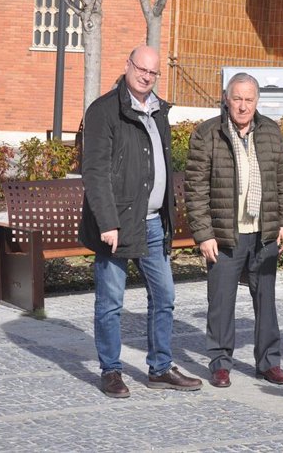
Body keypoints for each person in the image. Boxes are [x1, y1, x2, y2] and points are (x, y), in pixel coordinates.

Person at [79, 45, 202, 398]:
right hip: (117, 223)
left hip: (152, 223)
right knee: (110, 302)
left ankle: (160, 368)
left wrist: (168, 212)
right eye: (141, 69)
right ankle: (111, 370)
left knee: (164, 296)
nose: (146, 76)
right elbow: (95, 171)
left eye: (153, 72)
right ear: (127, 65)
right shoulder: (104, 111)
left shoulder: (158, 110)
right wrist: (107, 221)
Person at [184, 72, 283, 388]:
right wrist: (204, 234)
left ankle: (268, 363)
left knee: (266, 302)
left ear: (256, 101)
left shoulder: (271, 132)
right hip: (223, 235)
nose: (243, 106)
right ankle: (220, 363)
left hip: (264, 233)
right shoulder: (207, 134)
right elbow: (195, 190)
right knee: (220, 303)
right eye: (237, 98)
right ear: (226, 98)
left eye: (249, 99)